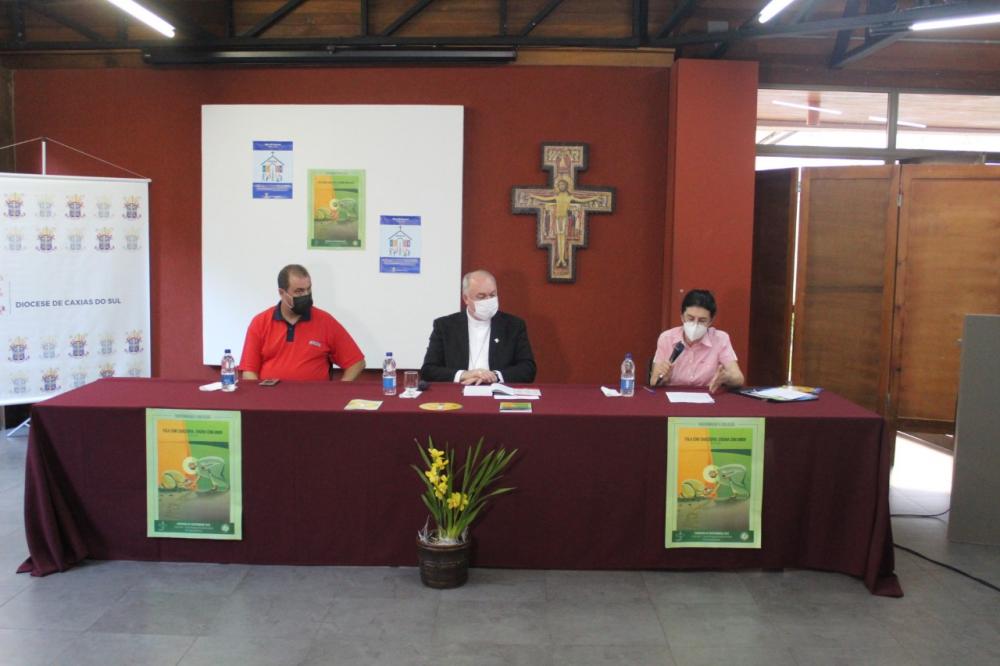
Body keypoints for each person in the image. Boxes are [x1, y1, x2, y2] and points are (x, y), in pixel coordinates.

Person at [240, 264, 365, 382]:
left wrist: (340, 390)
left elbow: (356, 362)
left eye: (308, 290)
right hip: (270, 398)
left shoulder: (325, 321)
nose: (306, 295)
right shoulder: (260, 322)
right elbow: (249, 371)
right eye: (299, 291)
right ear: (282, 293)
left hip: (315, 400)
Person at [420, 269, 536, 384]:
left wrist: (495, 376)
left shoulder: (513, 326)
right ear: (466, 298)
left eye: (492, 295)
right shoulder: (445, 326)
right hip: (458, 393)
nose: (488, 301)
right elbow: (428, 370)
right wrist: (464, 375)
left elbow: (528, 369)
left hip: (497, 392)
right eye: (481, 296)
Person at [649, 289, 744, 393]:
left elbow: (739, 379)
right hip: (673, 398)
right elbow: (653, 381)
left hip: (708, 398)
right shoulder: (666, 338)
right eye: (690, 318)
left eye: (702, 320)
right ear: (682, 317)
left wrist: (727, 378)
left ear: (711, 321)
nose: (695, 324)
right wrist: (662, 378)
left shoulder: (720, 339)